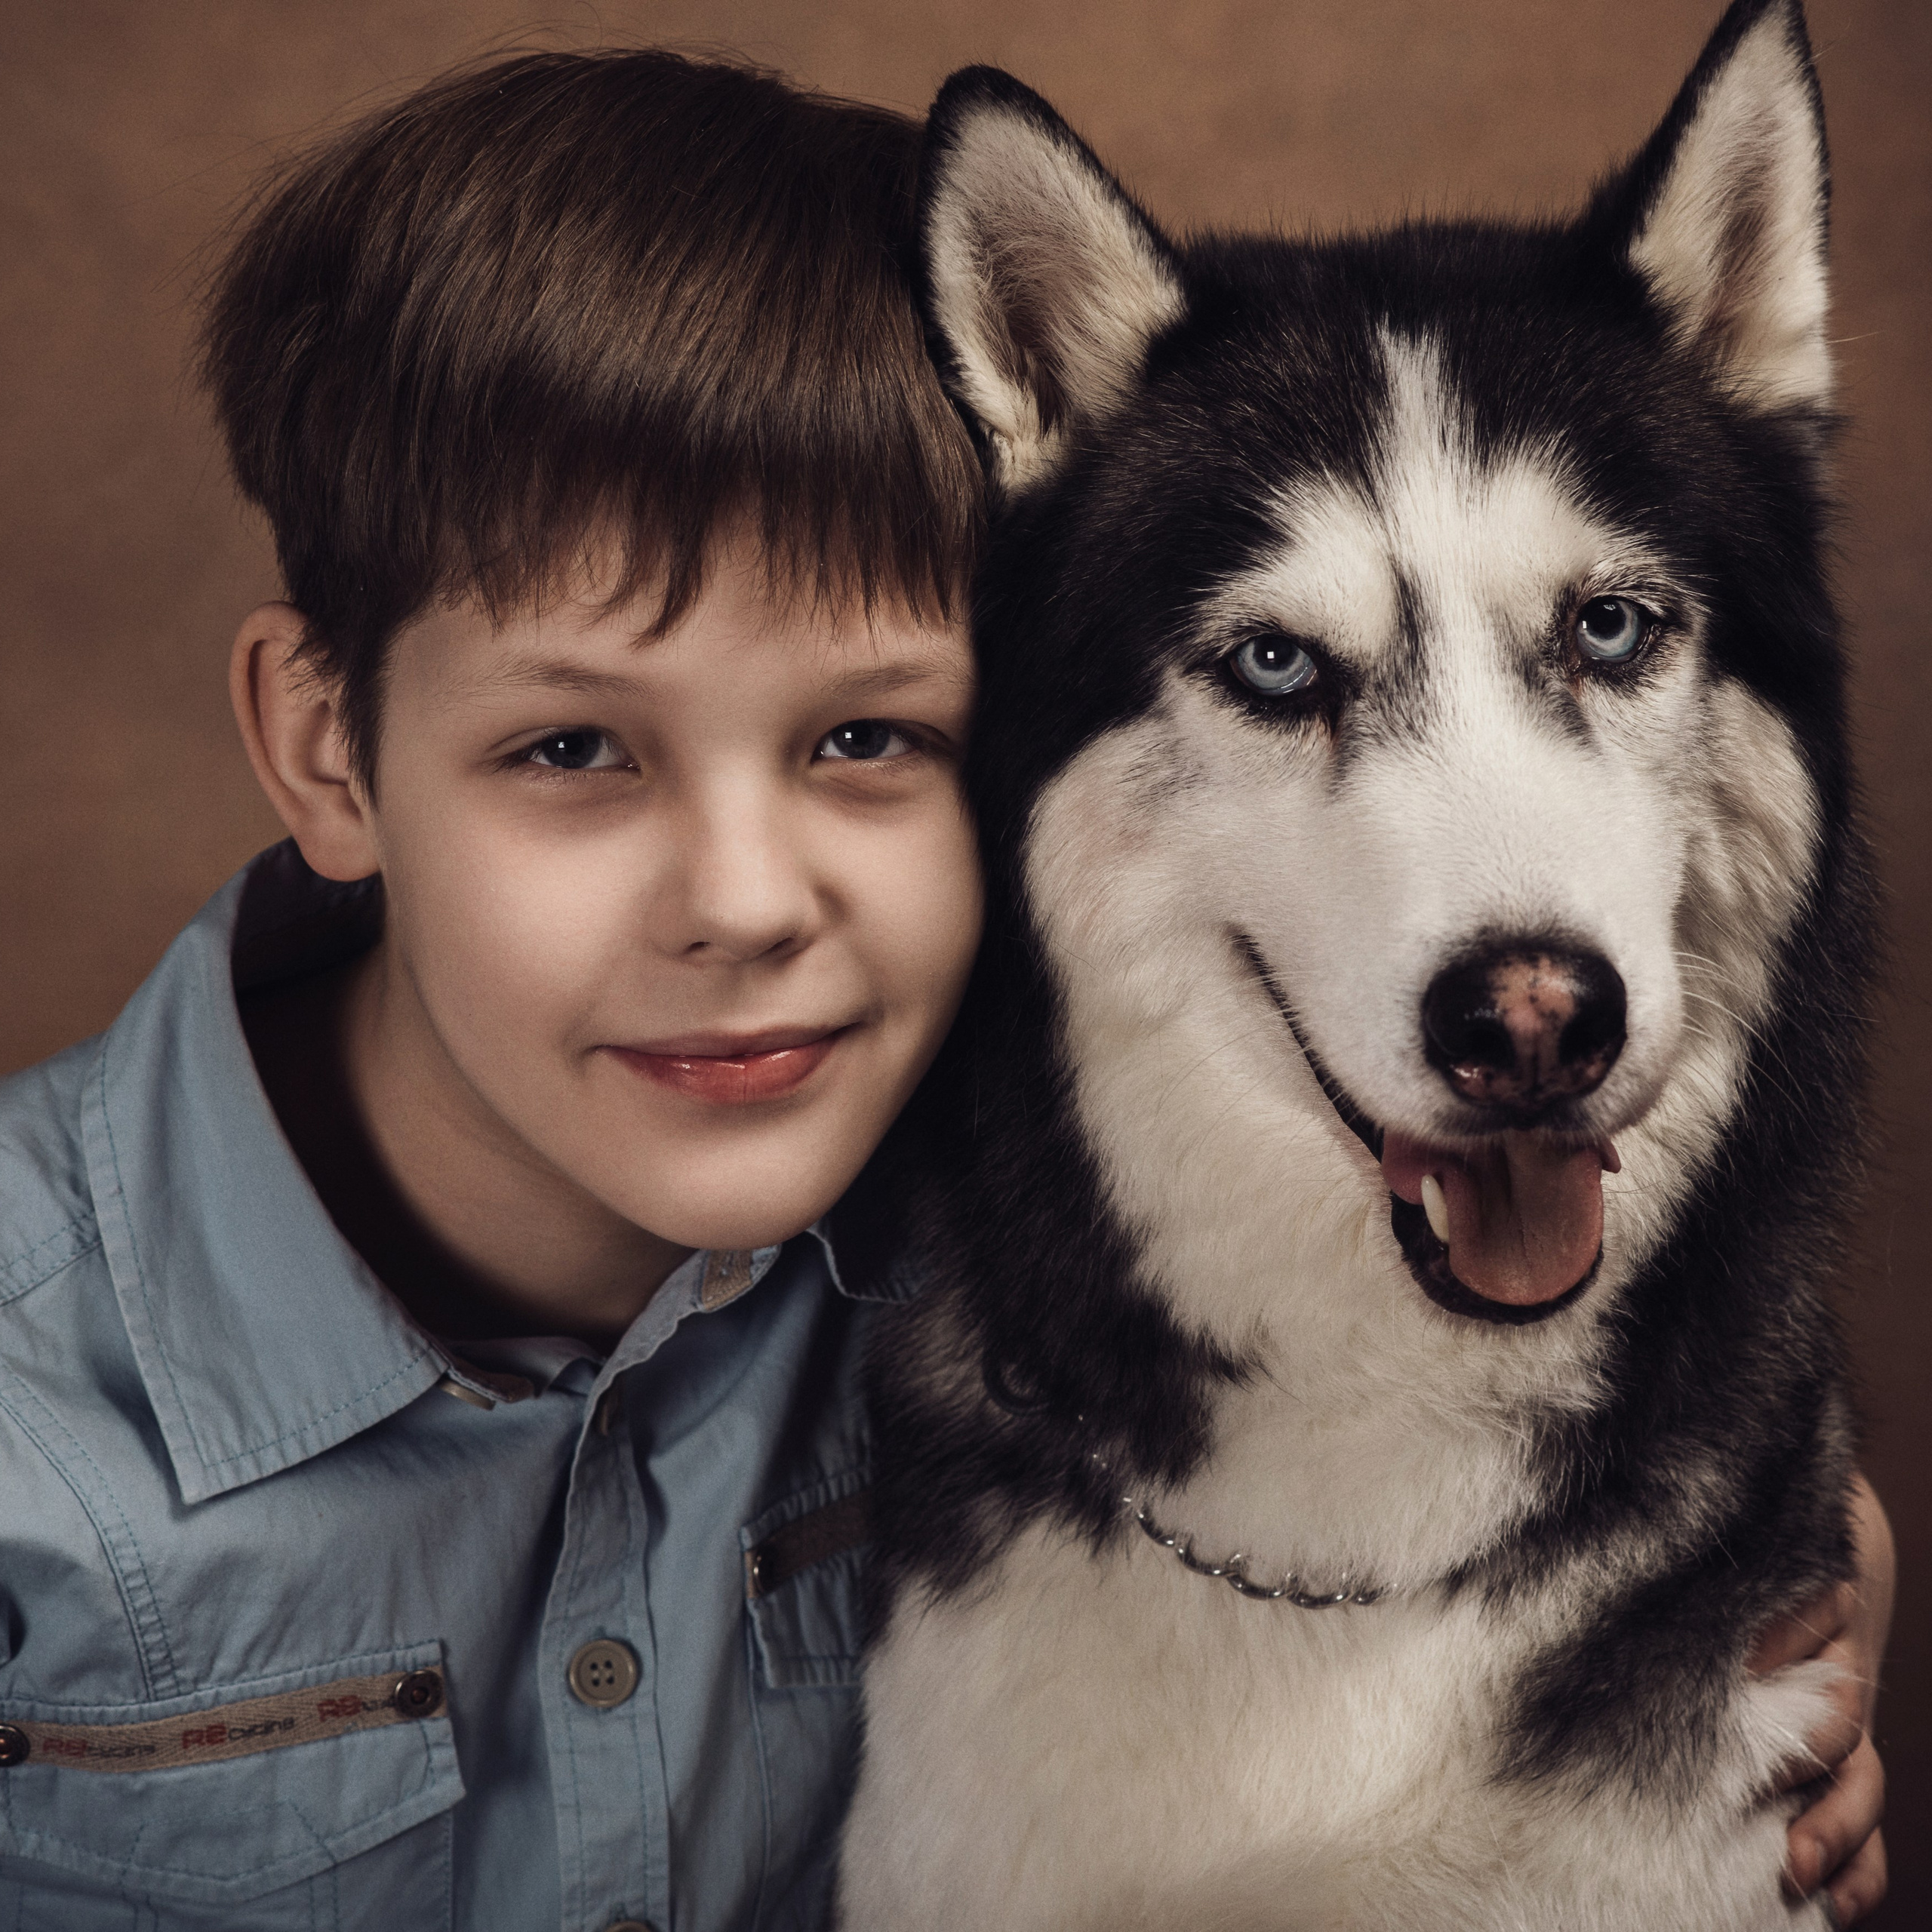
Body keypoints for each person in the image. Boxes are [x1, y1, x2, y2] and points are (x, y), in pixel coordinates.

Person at [0, 45, 1891, 1932]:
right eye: (572, 749)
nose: (743, 905)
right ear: (329, 749)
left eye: (865, 736)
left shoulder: (997, 1221)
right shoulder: (36, 1410)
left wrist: (1781, 1587)